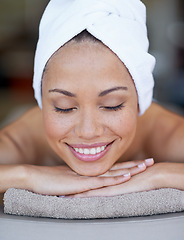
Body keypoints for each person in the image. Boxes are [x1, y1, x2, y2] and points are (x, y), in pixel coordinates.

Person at [0, 0, 184, 198]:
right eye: (64, 107)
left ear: (140, 97)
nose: (88, 131)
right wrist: (27, 176)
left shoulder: (167, 135)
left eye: (112, 105)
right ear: (42, 101)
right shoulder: (25, 138)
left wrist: (159, 176)